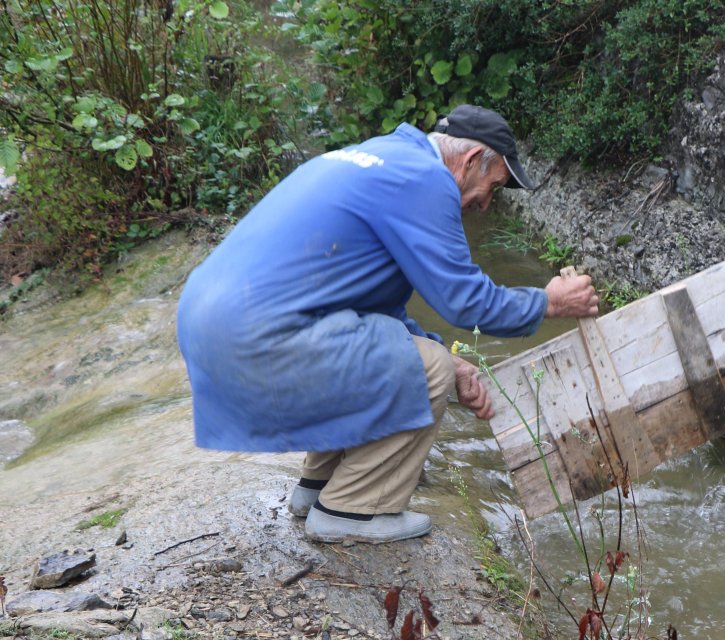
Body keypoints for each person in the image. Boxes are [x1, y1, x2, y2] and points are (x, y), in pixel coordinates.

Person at [176, 105, 598, 544]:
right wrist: (548, 302)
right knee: (428, 366)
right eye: (492, 188)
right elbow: (467, 302)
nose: (485, 204)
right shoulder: (426, 181)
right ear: (472, 160)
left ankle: (318, 487)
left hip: (209, 324)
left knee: (411, 354)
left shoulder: (385, 157)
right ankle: (351, 510)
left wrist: (457, 366)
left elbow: (372, 308)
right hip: (252, 335)